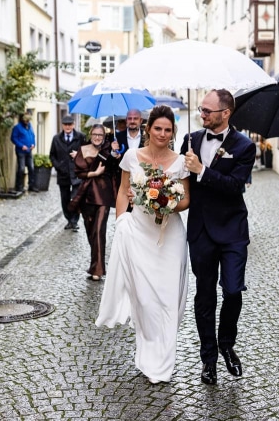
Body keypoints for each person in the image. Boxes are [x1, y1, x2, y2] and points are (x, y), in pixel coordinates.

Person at [96, 105, 191, 385]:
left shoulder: (181, 162)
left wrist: (166, 202)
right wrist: (120, 224)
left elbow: (186, 200)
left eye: (168, 129)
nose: (162, 134)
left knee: (168, 297)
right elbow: (122, 194)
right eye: (158, 128)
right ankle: (148, 352)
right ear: (148, 129)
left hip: (169, 236)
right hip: (138, 233)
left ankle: (165, 358)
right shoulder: (131, 156)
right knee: (145, 299)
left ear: (173, 132)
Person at [180, 89, 255, 386]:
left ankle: (227, 343)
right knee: (205, 296)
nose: (203, 114)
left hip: (232, 229)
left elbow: (236, 185)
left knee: (233, 291)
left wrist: (202, 170)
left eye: (208, 111)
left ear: (226, 113)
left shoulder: (245, 146)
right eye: (201, 109)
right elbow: (180, 178)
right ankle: (208, 359)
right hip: (201, 231)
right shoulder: (191, 139)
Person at [72, 125, 117, 281]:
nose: (98, 137)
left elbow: (113, 169)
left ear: (104, 136)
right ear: (90, 135)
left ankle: (98, 269)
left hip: (103, 195)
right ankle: (95, 263)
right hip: (86, 196)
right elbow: (79, 173)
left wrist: (114, 155)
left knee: (99, 230)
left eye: (101, 135)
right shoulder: (82, 149)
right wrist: (94, 173)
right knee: (90, 231)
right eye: (95, 134)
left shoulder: (108, 149)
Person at [50, 115, 85, 230]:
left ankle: (74, 221)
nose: (68, 127)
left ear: (73, 125)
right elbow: (52, 155)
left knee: (75, 198)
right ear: (62, 126)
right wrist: (58, 166)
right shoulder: (56, 139)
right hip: (63, 174)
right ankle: (69, 220)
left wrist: (78, 156)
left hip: (76, 173)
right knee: (65, 199)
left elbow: (87, 152)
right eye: (66, 124)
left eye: (70, 124)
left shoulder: (80, 137)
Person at [11, 113, 37, 193]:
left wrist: (33, 144)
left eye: (28, 120)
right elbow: (13, 138)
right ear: (23, 120)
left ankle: (31, 185)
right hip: (21, 151)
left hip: (29, 150)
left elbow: (33, 136)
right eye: (26, 120)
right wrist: (21, 146)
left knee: (31, 168)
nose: (27, 121)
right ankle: (19, 186)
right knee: (21, 168)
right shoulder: (17, 127)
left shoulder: (30, 126)